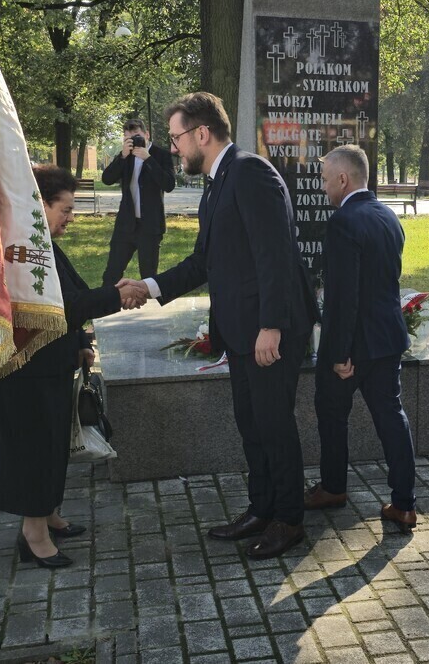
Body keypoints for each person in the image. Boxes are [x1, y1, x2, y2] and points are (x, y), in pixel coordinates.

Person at [119, 92, 318, 559]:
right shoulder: (218, 181)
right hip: (241, 331)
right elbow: (204, 262)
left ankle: (289, 520)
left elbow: (276, 256)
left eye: (176, 138)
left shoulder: (250, 173)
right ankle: (262, 508)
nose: (172, 148)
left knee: (274, 425)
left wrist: (272, 326)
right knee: (251, 424)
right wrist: (148, 286)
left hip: (267, 332)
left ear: (202, 133)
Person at [0, 165, 147, 568]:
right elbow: (63, 307)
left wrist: (80, 343)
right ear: (39, 204)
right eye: (66, 208)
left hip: (52, 364)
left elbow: (68, 298)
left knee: (54, 443)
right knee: (34, 450)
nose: (71, 217)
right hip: (25, 371)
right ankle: (33, 534)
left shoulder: (42, 244)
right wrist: (117, 295)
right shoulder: (18, 248)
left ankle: (49, 513)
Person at [303, 145, 418, 532]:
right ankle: (403, 504)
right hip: (388, 338)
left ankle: (334, 487)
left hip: (354, 349)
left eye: (324, 180)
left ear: (342, 179)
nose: (322, 188)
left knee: (331, 413)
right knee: (391, 418)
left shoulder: (343, 222)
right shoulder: (388, 217)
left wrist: (338, 353)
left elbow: (343, 297)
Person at [100, 118, 176, 286]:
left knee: (149, 276)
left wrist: (148, 159)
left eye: (136, 136)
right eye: (128, 137)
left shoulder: (160, 155)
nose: (133, 141)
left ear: (146, 134)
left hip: (150, 226)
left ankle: (150, 310)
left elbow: (169, 184)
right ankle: (105, 307)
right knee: (112, 273)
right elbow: (107, 179)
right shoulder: (125, 156)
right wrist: (122, 156)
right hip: (125, 225)